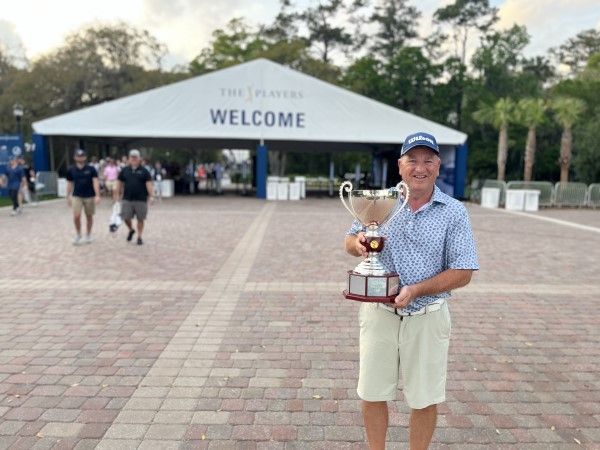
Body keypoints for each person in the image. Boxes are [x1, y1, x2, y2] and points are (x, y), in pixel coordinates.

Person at [344, 132, 479, 450]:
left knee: (425, 397)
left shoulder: (453, 211)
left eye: (428, 160)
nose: (421, 168)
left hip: (428, 315)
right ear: (400, 165)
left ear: (437, 166)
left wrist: (417, 290)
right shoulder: (381, 201)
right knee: (373, 391)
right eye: (413, 160)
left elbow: (464, 271)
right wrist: (360, 244)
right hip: (379, 312)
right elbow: (349, 242)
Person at [116, 149, 153, 245]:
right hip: (127, 198)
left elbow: (149, 184)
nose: (134, 159)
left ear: (139, 158)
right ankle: (131, 229)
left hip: (141, 199)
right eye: (132, 157)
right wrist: (117, 194)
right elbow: (119, 183)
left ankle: (139, 237)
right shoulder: (124, 170)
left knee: (140, 219)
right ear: (129, 158)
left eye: (135, 157)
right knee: (125, 217)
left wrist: (152, 196)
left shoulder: (144, 171)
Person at [66, 149, 101, 244]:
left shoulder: (91, 169)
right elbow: (69, 183)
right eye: (78, 156)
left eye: (82, 156)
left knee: (89, 216)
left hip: (89, 195)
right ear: (74, 157)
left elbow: (95, 182)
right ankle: (78, 234)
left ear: (85, 157)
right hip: (77, 195)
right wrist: (67, 196)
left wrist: (98, 195)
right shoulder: (71, 169)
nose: (80, 158)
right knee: (76, 216)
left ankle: (88, 235)